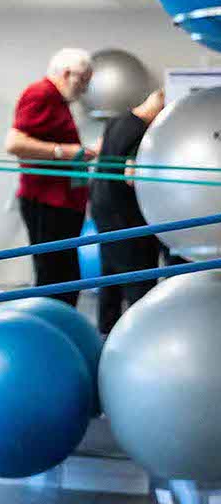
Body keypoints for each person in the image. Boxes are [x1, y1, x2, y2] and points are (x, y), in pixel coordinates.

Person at [5, 48, 97, 307]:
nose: (85, 89)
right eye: (84, 80)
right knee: (54, 275)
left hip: (63, 202)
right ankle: (49, 330)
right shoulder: (41, 93)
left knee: (65, 275)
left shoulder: (58, 101)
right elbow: (14, 143)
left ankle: (59, 327)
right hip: (47, 201)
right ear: (68, 74)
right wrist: (63, 152)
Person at [89, 88, 165, 334]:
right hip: (127, 217)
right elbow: (131, 176)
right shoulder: (143, 132)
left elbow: (101, 153)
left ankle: (105, 334)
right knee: (139, 284)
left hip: (103, 211)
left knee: (109, 279)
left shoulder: (116, 121)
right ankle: (142, 335)